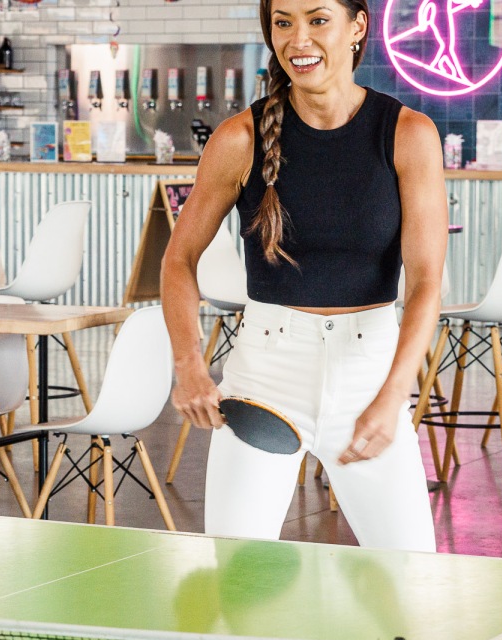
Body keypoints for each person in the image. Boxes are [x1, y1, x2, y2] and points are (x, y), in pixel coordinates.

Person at [161, 0, 448, 552]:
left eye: (318, 20)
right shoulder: (238, 138)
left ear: (357, 26)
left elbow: (426, 281)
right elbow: (178, 259)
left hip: (370, 378)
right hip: (265, 382)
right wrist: (188, 362)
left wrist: (394, 394)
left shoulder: (408, 134)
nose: (299, 40)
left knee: (412, 583)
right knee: (236, 582)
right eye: (283, 22)